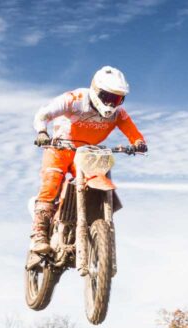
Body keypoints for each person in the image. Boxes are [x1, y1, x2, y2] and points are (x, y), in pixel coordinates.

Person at [29, 66, 148, 254]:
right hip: (60, 147)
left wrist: (138, 143)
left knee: (94, 183)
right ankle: (39, 235)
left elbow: (133, 133)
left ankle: (90, 227)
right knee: (52, 182)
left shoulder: (119, 114)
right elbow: (43, 114)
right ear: (95, 90)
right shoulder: (74, 99)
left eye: (117, 99)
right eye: (107, 97)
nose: (111, 103)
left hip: (86, 153)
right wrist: (42, 132)